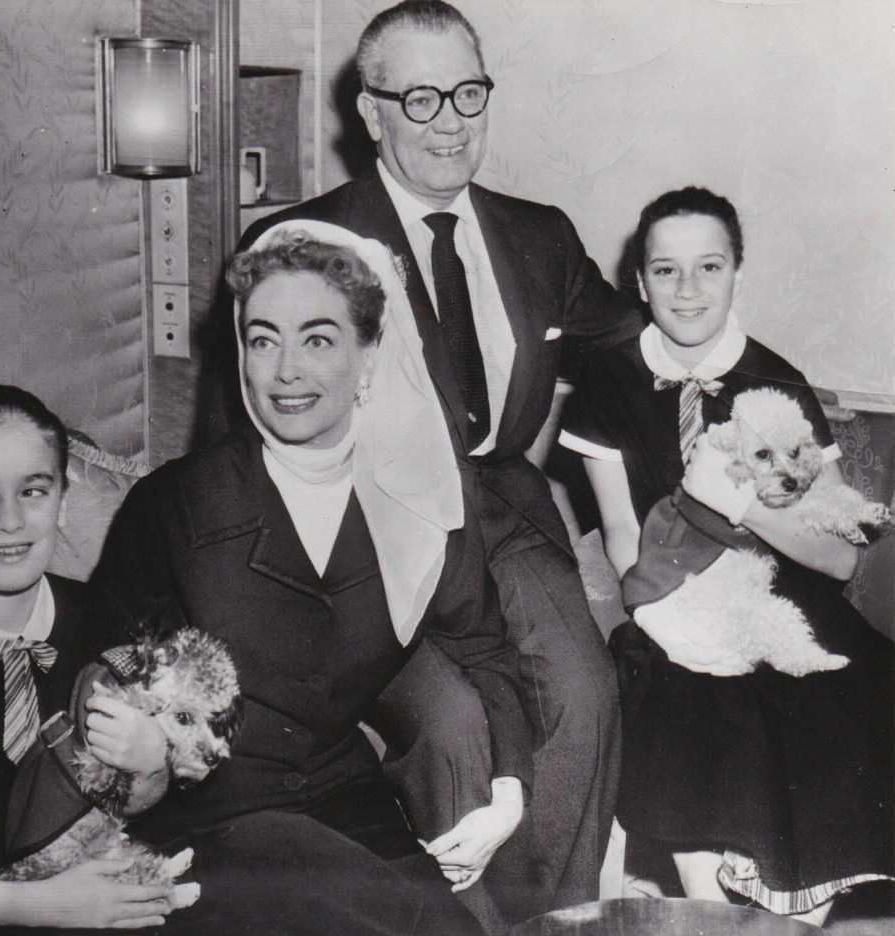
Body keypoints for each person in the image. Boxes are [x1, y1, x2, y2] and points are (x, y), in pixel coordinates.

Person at [238, 0, 644, 916]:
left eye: (468, 91)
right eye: (418, 99)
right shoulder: (302, 245)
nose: (450, 120)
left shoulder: (540, 235)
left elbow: (644, 346)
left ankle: (559, 920)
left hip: (506, 512)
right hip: (366, 532)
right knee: (458, 727)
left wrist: (748, 396)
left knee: (584, 694)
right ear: (370, 112)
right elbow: (246, 443)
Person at [93, 221, 536, 936]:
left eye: (318, 339)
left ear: (368, 358)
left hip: (342, 798)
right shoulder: (177, 503)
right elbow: (102, 657)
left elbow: (487, 651)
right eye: (263, 339)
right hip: (210, 816)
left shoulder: (417, 505)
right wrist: (146, 740)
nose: (285, 370)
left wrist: (509, 795)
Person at [559, 186, 894, 925]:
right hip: (671, 593)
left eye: (708, 267)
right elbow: (619, 529)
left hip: (785, 593)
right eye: (666, 270)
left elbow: (839, 561)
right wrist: (652, 610)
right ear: (639, 282)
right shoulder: (608, 382)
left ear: (737, 271)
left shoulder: (775, 379)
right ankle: (715, 912)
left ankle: (791, 908)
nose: (687, 290)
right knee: (686, 689)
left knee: (848, 686)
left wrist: (736, 504)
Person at [0, 384, 176, 933]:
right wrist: (46, 907)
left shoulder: (105, 618)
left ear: (63, 501)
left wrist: (152, 764)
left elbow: (135, 803)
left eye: (33, 491)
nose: (10, 521)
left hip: (97, 895)